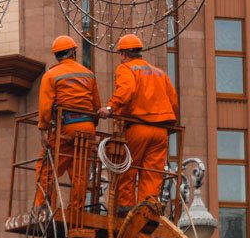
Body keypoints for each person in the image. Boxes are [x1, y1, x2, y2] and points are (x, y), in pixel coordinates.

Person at [97, 33, 178, 212]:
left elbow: (127, 90)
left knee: (127, 169)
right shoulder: (159, 73)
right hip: (161, 132)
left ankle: (125, 210)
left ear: (123, 54)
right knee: (152, 175)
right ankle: (146, 211)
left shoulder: (126, 68)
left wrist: (110, 108)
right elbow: (173, 101)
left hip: (138, 127)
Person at [35, 35, 100, 210]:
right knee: (80, 171)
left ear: (57, 55)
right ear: (73, 52)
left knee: (47, 166)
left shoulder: (51, 75)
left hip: (66, 127)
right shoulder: (88, 74)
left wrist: (43, 129)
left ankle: (44, 205)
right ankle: (76, 210)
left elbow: (45, 106)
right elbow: (96, 106)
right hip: (87, 127)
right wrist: (91, 124)